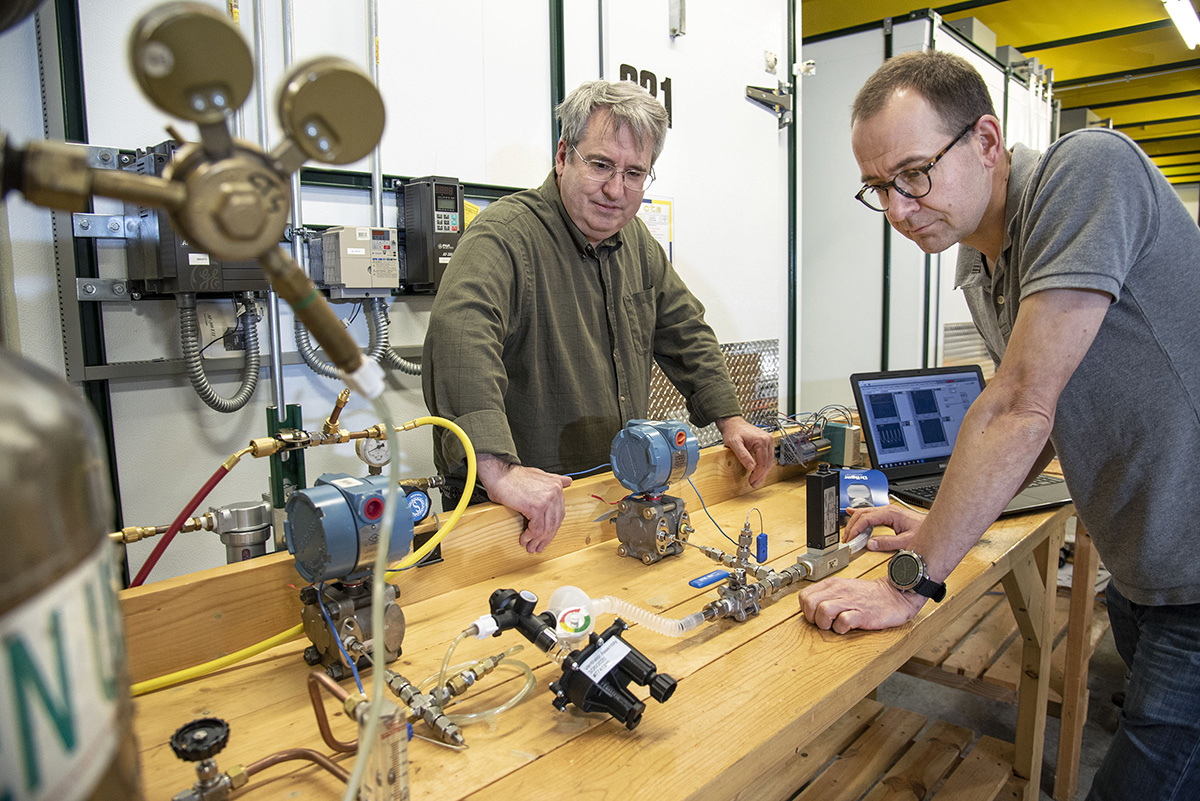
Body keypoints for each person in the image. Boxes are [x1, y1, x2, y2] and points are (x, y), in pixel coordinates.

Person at [797, 50, 1200, 799]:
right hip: (1145, 566)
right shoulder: (982, 267)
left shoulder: (1087, 171)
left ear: (986, 142)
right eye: (878, 187)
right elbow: (1046, 419)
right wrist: (932, 526)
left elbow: (1020, 403)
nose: (897, 207)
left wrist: (910, 582)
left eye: (914, 173)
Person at [422, 80, 773, 554]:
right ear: (564, 154)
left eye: (635, 173)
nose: (616, 189)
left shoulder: (636, 245)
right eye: (601, 165)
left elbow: (686, 330)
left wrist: (730, 418)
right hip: (516, 516)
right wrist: (499, 472)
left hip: (612, 501)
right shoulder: (503, 236)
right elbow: (461, 341)